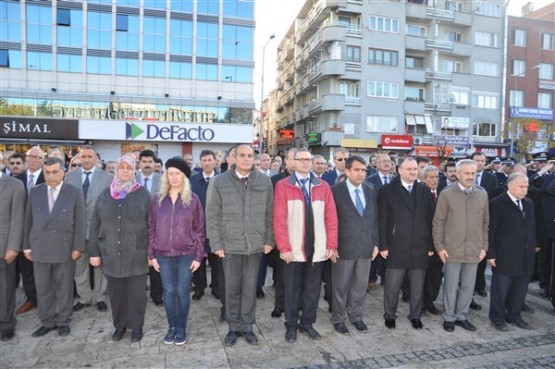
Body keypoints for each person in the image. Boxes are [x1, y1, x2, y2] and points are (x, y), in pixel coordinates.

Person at [206, 144, 274, 346]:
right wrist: (216, 243)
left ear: (255, 159)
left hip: (255, 244)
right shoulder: (219, 182)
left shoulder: (264, 180)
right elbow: (212, 215)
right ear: (233, 158)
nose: (246, 158)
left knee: (250, 288)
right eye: (241, 155)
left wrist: (269, 240)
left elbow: (270, 213)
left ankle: (248, 326)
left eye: (249, 155)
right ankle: (233, 327)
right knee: (232, 288)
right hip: (229, 244)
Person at [274, 148, 338, 343]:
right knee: (292, 289)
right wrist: (283, 247)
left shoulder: (323, 185)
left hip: (317, 246)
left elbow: (331, 217)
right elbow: (279, 219)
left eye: (307, 159)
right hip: (293, 247)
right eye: (300, 159)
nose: (304, 163)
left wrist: (332, 244)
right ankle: (291, 325)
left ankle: (307, 323)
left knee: (312, 290)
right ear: (292, 162)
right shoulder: (283, 185)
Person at [88, 155, 151, 343]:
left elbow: (152, 225)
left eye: (129, 168)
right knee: (116, 294)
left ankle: (136, 326)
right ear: (116, 170)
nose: (125, 171)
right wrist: (94, 253)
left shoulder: (143, 194)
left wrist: (151, 252)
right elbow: (94, 225)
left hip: (137, 254)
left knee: (137, 295)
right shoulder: (105, 195)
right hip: (111, 255)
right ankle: (120, 326)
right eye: (121, 167)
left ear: (134, 171)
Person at [23, 157, 86, 337]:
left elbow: (80, 222)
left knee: (64, 286)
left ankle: (63, 320)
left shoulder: (73, 192)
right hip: (40, 246)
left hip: (64, 247)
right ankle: (47, 321)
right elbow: (28, 220)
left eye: (55, 172)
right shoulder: (35, 192)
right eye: (47, 173)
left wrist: (78, 247)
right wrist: (26, 246)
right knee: (43, 287)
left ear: (63, 172)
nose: (51, 176)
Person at [149, 157, 205, 345]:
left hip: (186, 254)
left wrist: (199, 255)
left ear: (184, 177)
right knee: (169, 291)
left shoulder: (193, 200)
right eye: (170, 173)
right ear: (166, 176)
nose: (174, 177)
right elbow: (151, 228)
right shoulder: (158, 200)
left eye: (178, 174)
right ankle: (171, 326)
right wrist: (151, 254)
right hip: (162, 254)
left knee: (182, 291)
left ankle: (181, 327)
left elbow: (199, 229)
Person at [433, 159, 489, 333]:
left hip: (474, 249)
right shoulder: (447, 194)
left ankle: (462, 316)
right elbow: (438, 222)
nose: (470, 176)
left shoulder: (482, 194)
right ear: (457, 174)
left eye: (473, 173)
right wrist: (440, 246)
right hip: (452, 249)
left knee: (468, 285)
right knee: (450, 285)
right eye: (466, 173)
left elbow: (485, 223)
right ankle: (449, 317)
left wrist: (484, 246)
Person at [378, 157, 434, 330]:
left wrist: (431, 245)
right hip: (396, 245)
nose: (412, 172)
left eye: (415, 169)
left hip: (419, 245)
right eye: (408, 169)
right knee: (393, 286)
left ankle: (415, 316)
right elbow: (382, 220)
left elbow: (431, 219)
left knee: (417, 286)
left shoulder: (424, 190)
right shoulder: (387, 190)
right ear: (399, 170)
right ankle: (390, 315)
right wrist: (383, 245)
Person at [330, 156, 378, 335]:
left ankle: (356, 316)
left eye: (364, 170)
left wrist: (376, 243)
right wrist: (332, 246)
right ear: (347, 171)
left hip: (366, 246)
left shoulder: (371, 189)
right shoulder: (335, 191)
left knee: (360, 285)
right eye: (357, 170)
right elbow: (330, 221)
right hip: (343, 247)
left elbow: (375, 218)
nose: (361, 173)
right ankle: (338, 318)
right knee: (340, 286)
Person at [65, 145, 113, 313]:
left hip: (99, 229)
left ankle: (100, 297)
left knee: (100, 265)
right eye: (83, 156)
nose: (86, 159)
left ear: (96, 159)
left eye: (89, 156)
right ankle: (84, 297)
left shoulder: (107, 177)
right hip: (76, 229)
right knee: (80, 266)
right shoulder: (69, 177)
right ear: (78, 158)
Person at [488, 172, 537, 331]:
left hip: (525, 254)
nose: (525, 190)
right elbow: (491, 231)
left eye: (527, 187)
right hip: (504, 255)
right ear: (510, 185)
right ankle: (497, 317)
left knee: (520, 289)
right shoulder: (497, 204)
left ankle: (514, 315)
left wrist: (534, 244)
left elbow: (531, 227)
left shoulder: (529, 203)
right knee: (500, 289)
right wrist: (491, 253)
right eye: (521, 186)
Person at [15, 146, 45, 315]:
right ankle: (31, 298)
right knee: (26, 267)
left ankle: (46, 297)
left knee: (45, 266)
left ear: (42, 160)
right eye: (30, 156)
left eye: (37, 157)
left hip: (43, 230)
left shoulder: (49, 177)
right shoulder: (16, 179)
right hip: (22, 231)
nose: (33, 159)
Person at [190, 150, 219, 301]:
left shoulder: (221, 180)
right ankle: (199, 288)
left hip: (216, 227)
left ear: (215, 162)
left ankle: (216, 287)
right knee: (198, 259)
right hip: (197, 228)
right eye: (204, 160)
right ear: (200, 163)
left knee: (217, 259)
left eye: (210, 160)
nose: (207, 163)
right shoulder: (192, 181)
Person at [0, 172, 26, 341]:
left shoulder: (14, 185)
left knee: (5, 289)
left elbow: (18, 218)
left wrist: (13, 246)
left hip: (4, 247)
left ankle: (6, 323)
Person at [136, 149, 163, 306]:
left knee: (156, 263)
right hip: (135, 229)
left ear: (155, 164)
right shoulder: (131, 179)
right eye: (144, 162)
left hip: (158, 229)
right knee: (138, 262)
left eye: (150, 162)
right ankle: (138, 294)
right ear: (139, 163)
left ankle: (156, 294)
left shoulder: (164, 180)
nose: (147, 165)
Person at [471, 152, 499, 299]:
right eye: (477, 160)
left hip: (484, 221)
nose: (480, 163)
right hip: (467, 222)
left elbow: (493, 201)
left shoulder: (491, 178)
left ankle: (480, 285)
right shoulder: (465, 175)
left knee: (482, 255)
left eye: (482, 160)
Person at [366, 153, 394, 290]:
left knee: (389, 250)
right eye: (383, 161)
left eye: (389, 161)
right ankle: (371, 278)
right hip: (376, 220)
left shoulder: (396, 180)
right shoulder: (369, 180)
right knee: (376, 250)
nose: (386, 163)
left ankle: (385, 277)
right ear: (376, 164)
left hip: (392, 222)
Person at [421, 165, 444, 315]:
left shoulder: (444, 193)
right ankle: (420, 304)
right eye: (431, 177)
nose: (435, 180)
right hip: (424, 243)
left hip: (440, 243)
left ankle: (430, 302)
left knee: (436, 275)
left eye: (437, 177)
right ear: (424, 179)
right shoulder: (420, 194)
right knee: (422, 276)